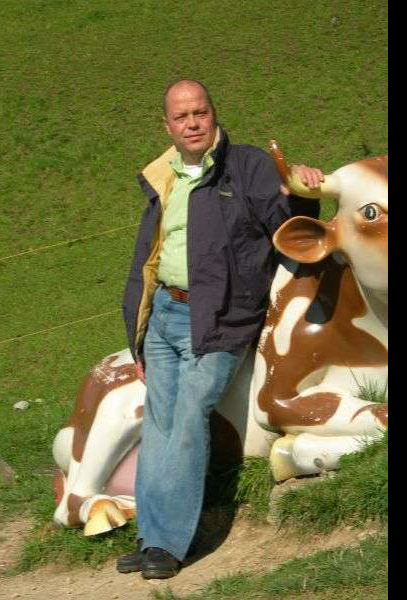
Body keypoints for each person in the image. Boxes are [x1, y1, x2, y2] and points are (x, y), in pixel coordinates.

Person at [118, 79, 323, 579]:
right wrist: (138, 331)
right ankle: (151, 537)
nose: (192, 123)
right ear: (167, 125)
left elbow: (286, 227)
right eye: (181, 116)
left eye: (200, 113)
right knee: (159, 423)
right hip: (164, 314)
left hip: (221, 318)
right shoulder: (164, 175)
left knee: (189, 417)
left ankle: (168, 544)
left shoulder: (248, 166)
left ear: (213, 114)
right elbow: (149, 255)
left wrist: (302, 194)